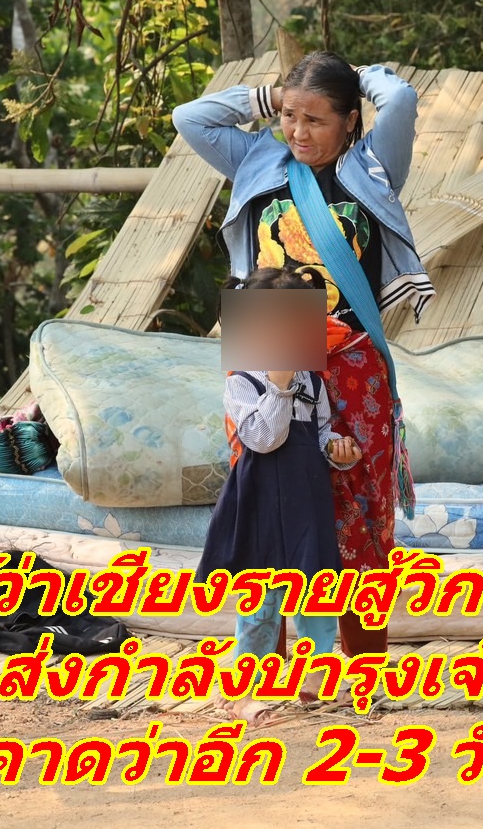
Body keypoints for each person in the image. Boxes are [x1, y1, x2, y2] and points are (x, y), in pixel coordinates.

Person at [172, 52, 428, 660]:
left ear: (350, 121)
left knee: (358, 505)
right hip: (264, 342)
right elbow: (190, 118)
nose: (299, 132)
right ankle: (266, 664)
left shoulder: (373, 166)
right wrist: (268, 97)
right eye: (290, 116)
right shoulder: (256, 158)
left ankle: (362, 665)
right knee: (266, 496)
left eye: (316, 119)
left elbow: (402, 100)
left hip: (349, 352)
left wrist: (359, 76)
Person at [202, 265, 361, 723]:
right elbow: (264, 439)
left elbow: (322, 432)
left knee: (317, 590)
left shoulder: (312, 379)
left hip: (306, 499)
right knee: (261, 603)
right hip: (260, 503)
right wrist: (279, 382)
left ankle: (315, 678)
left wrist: (339, 451)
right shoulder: (242, 381)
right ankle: (241, 690)